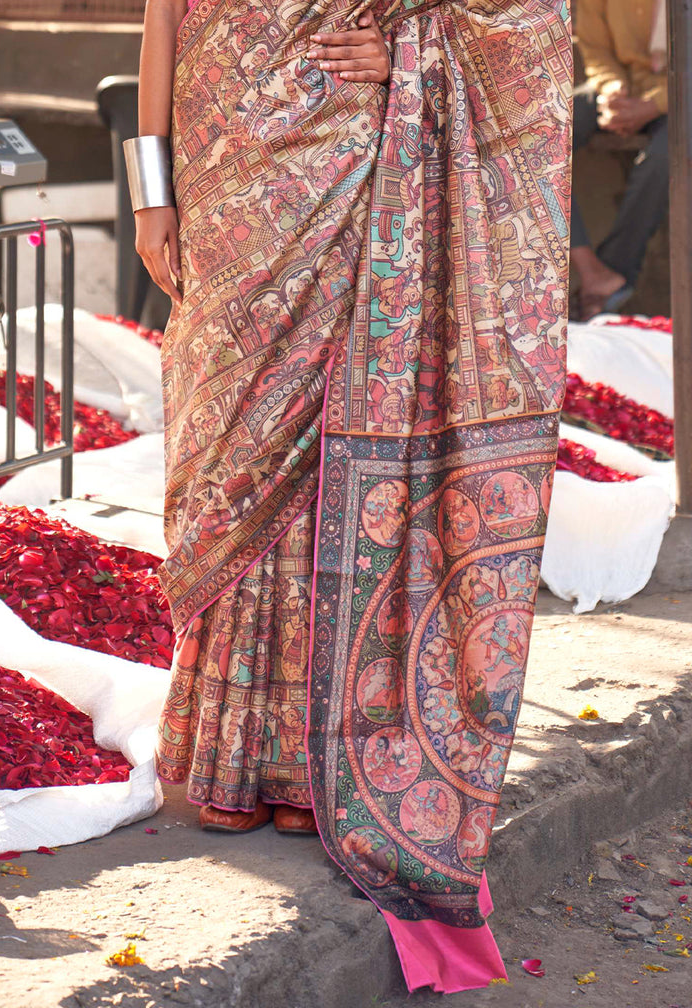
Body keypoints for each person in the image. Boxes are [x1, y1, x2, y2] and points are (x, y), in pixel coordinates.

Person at [126, 0, 570, 994]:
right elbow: (161, 15)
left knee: (326, 444)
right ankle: (230, 752)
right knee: (226, 455)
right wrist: (149, 192)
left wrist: (412, 51)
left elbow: (515, 16)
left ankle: (302, 759)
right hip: (221, 162)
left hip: (351, 154)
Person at [571, 0, 668, 320]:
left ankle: (615, 270)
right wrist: (612, 91)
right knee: (544, 131)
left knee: (668, 154)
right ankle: (590, 270)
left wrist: (655, 103)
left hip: (680, 92)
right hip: (621, 88)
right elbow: (594, 48)